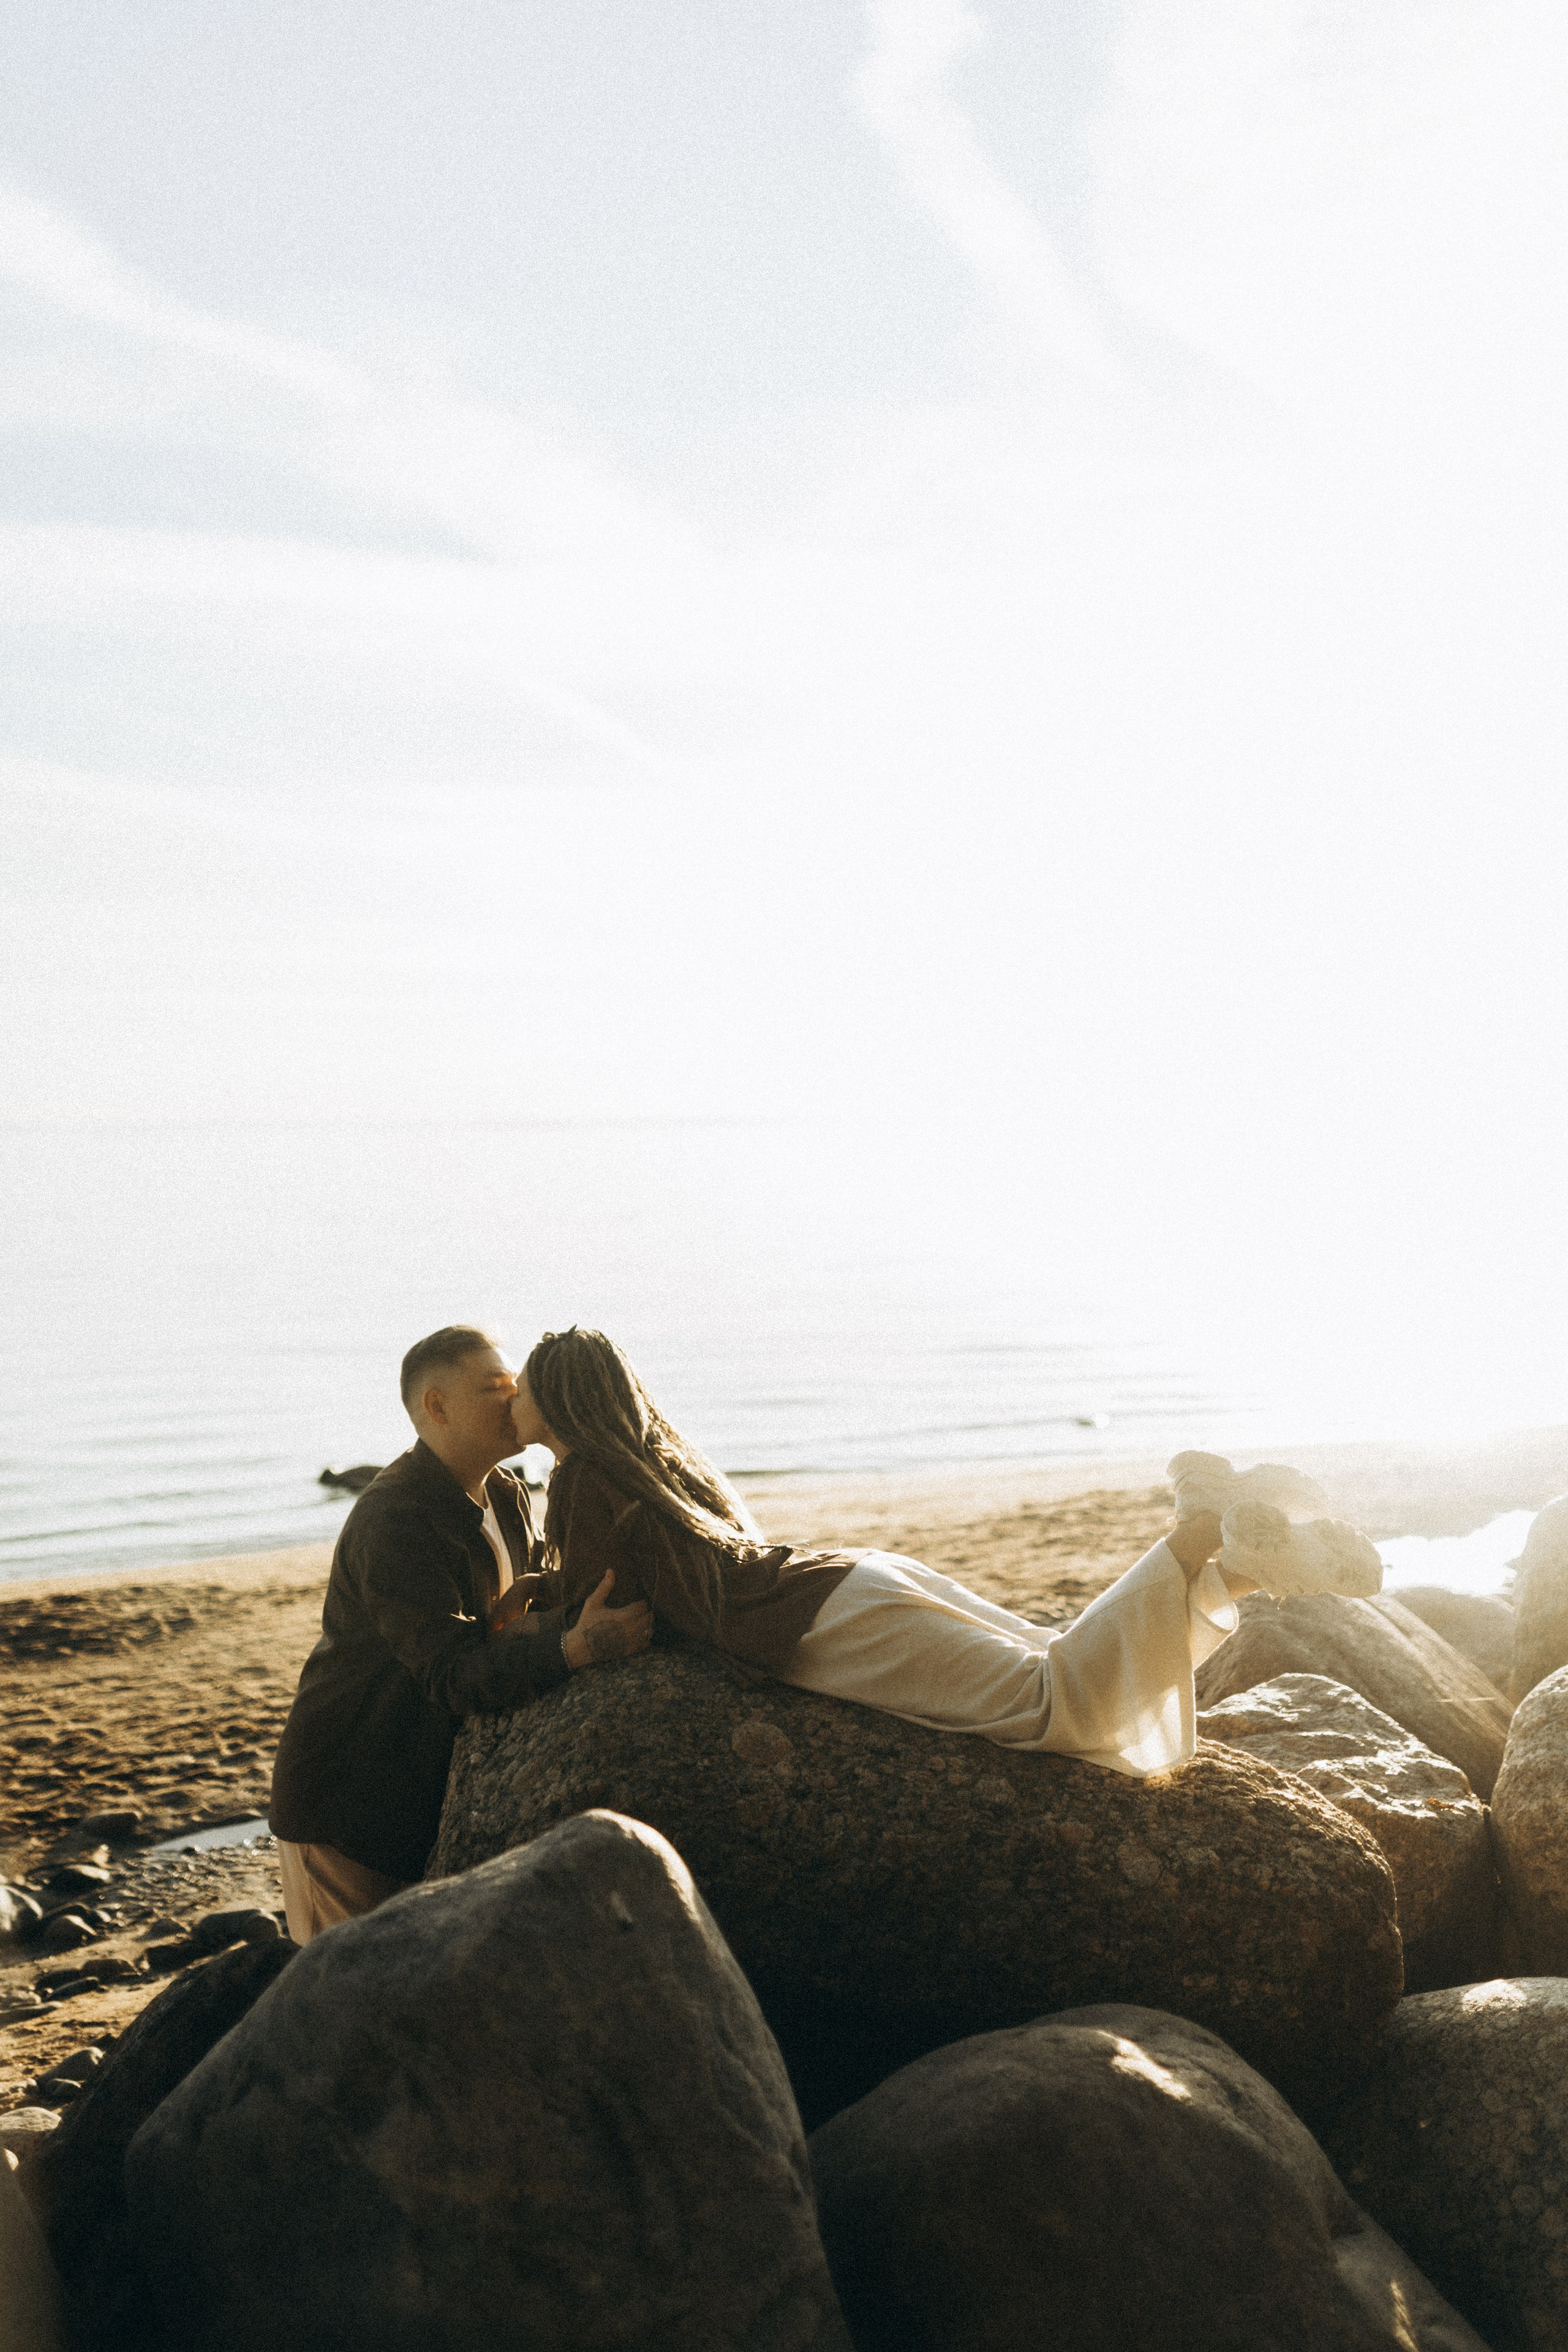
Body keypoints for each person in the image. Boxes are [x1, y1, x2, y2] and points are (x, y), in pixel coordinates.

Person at [501, 1327, 1260, 1778]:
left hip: (826, 1628)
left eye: (522, 1391)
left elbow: (613, 1614)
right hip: (849, 1582)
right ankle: (1238, 1570)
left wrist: (527, 1630)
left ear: (562, 1402)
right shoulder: (653, 1460)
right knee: (1052, 1654)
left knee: (1050, 1705)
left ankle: (1190, 1533)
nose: (511, 1402)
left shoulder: (580, 1477)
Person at [269, 1325, 651, 1942]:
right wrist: (574, 1649)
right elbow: (451, 1672)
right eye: (493, 1389)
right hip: (345, 1802)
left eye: (513, 1386)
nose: (515, 1400)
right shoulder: (395, 1520)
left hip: (421, 1791)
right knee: (352, 2006)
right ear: (437, 1406)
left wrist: (538, 1608)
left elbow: (485, 1630)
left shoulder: (505, 1492)